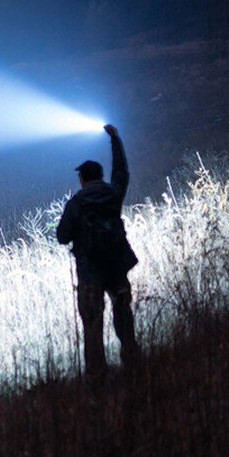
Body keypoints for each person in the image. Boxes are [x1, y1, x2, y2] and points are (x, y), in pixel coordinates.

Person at [57, 124, 140, 386]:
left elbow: (62, 236)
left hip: (89, 271)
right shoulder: (113, 193)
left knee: (92, 324)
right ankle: (133, 362)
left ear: (82, 179)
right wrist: (116, 140)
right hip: (116, 266)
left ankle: (97, 376)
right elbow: (122, 171)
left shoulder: (76, 203)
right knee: (123, 314)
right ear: (100, 176)